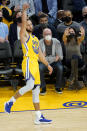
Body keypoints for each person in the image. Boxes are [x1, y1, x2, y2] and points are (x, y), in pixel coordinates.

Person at [4, 3, 53, 124]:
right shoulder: (24, 36)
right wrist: (24, 11)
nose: (30, 25)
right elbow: (24, 23)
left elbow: (40, 55)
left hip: (35, 64)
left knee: (36, 91)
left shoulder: (36, 39)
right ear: (25, 26)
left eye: (31, 24)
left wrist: (47, 64)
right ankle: (9, 102)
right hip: (28, 62)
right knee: (30, 86)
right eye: (28, 24)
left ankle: (38, 117)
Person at [39, 28, 63, 95]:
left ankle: (58, 87)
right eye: (46, 34)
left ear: (51, 34)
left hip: (54, 62)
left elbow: (60, 56)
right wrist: (42, 57)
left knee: (60, 68)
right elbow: (37, 58)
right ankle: (43, 88)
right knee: (39, 68)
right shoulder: (39, 43)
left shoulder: (57, 42)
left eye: (49, 34)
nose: (47, 35)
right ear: (43, 35)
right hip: (44, 62)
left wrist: (57, 57)